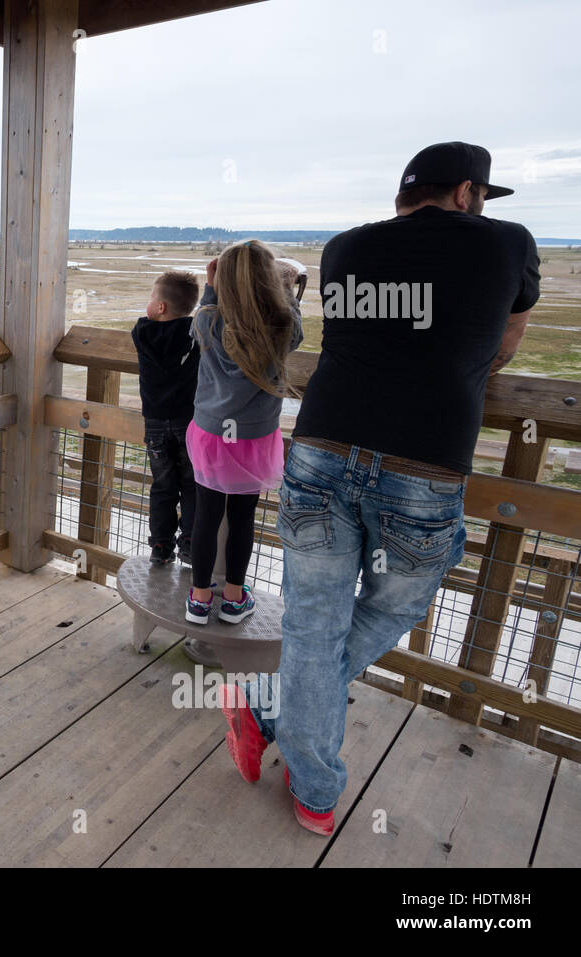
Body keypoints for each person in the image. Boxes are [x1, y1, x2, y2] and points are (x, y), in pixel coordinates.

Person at [220, 142, 540, 836]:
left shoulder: (343, 249)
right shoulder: (509, 243)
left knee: (313, 624)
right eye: (480, 195)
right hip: (423, 467)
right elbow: (504, 345)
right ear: (465, 193)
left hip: (321, 448)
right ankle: (298, 759)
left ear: (403, 197)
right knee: (395, 606)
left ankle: (287, 737)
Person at [185, 240, 303, 634]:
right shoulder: (282, 327)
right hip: (253, 440)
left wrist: (211, 284)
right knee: (242, 517)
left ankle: (199, 600)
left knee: (205, 516)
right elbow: (295, 323)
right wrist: (286, 287)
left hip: (209, 433)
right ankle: (234, 598)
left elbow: (203, 313)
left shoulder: (208, 320)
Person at [130, 269, 202, 566]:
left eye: (152, 297)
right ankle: (189, 543)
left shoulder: (141, 332)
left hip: (156, 424)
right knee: (192, 485)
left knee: (162, 485)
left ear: (160, 307)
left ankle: (160, 545)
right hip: (190, 422)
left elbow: (147, 323)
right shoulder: (197, 331)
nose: (148, 303)